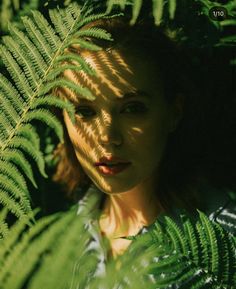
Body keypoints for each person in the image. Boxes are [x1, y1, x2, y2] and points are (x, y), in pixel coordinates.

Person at [52, 16, 230, 259]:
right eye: (84, 111)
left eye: (132, 108)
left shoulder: (225, 239)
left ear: (174, 112)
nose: (107, 137)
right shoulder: (58, 242)